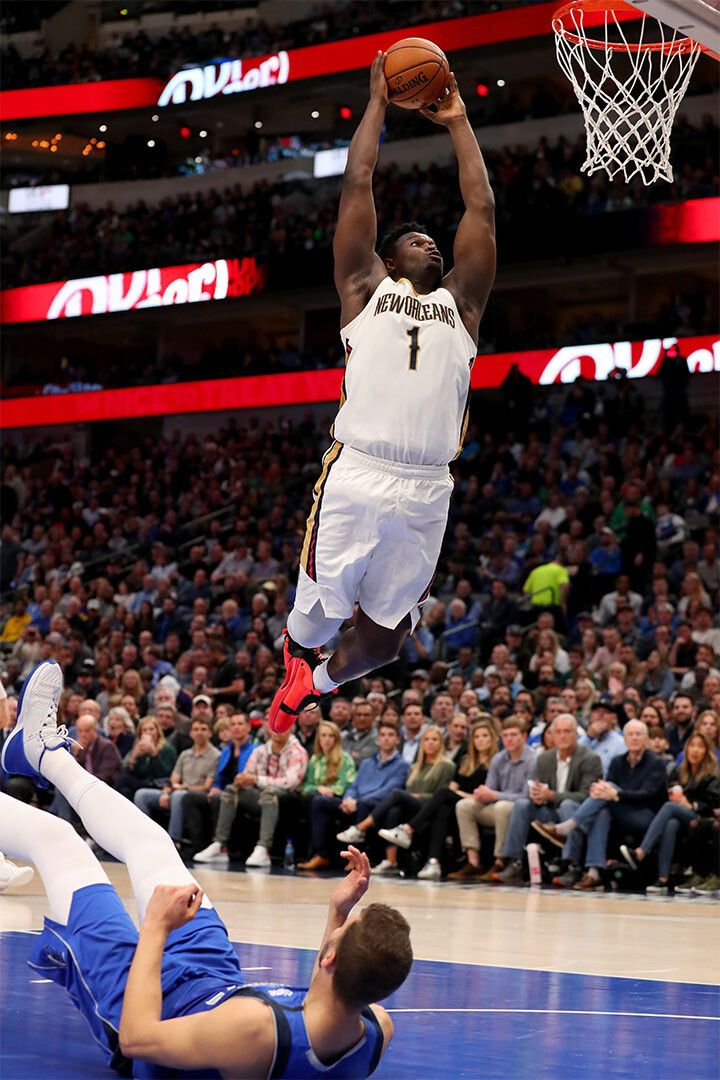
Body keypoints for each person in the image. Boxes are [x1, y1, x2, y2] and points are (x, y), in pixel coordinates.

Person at [1, 661, 408, 1077]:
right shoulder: (375, 1024)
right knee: (152, 843)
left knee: (59, 841)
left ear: (330, 959)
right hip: (217, 983)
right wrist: (337, 912)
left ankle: (41, 755)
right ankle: (39, 752)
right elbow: (331, 986)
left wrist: (155, 928)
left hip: (149, 1009)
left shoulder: (256, 1033)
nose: (335, 935)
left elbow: (137, 1039)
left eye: (340, 932)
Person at [268, 55, 495, 732]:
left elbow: (480, 205)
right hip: (359, 471)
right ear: (389, 261)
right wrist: (376, 101)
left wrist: (457, 120)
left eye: (434, 239)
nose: (429, 241)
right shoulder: (365, 293)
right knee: (311, 621)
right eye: (413, 240)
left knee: (387, 640)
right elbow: (358, 184)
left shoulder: (464, 304)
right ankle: (299, 661)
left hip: (429, 484)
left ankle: (318, 685)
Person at [536, 720, 667, 890]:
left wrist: (615, 794)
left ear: (646, 739)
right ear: (624, 739)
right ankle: (593, 872)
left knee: (609, 790)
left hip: (647, 816)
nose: (634, 738)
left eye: (638, 734)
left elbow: (647, 795)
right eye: (630, 734)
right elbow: (608, 794)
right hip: (619, 812)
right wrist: (600, 790)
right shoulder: (617, 762)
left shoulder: (656, 762)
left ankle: (569, 827)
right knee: (602, 811)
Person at [379, 719, 498, 880]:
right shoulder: (466, 761)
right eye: (477, 736)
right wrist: (457, 794)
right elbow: (454, 788)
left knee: (443, 793)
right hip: (460, 804)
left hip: (480, 803)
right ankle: (433, 862)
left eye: (485, 736)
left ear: (492, 739)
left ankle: (407, 829)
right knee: (443, 808)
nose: (481, 740)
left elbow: (485, 794)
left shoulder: (496, 762)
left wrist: (461, 795)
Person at [496, 714, 602, 885]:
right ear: (551, 735)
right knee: (522, 804)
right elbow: (538, 788)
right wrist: (538, 796)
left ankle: (571, 865)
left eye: (567, 731)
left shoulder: (590, 759)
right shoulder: (545, 758)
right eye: (558, 732)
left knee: (568, 804)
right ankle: (514, 862)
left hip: (576, 815)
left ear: (576, 734)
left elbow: (585, 796)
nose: (562, 736)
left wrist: (552, 795)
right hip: (551, 813)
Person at [345, 725, 455, 877]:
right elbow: (409, 791)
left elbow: (442, 796)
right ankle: (391, 861)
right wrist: (412, 796)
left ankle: (360, 828)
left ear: (441, 743)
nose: (430, 743)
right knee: (394, 810)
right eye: (427, 739)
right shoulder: (415, 767)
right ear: (422, 743)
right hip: (414, 807)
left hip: (430, 807)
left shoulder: (446, 765)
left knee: (397, 794)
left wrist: (418, 797)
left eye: (435, 739)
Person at [194, 726, 308, 868]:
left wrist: (256, 780)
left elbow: (289, 782)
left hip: (287, 799)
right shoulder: (260, 750)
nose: (278, 730)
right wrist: (242, 779)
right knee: (231, 790)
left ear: (291, 729)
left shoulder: (298, 751)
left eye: (283, 726)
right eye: (275, 726)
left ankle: (263, 849)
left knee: (270, 792)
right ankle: (220, 846)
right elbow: (248, 774)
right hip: (260, 794)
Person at [620, 732, 719, 893]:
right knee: (671, 823)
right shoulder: (679, 772)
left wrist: (691, 805)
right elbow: (670, 791)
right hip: (679, 816)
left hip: (701, 818)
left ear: (706, 751)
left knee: (669, 808)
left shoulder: (712, 776)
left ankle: (640, 852)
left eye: (700, 747)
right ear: (686, 750)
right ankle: (663, 878)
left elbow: (712, 804)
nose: (695, 750)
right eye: (692, 746)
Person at [450, 715, 536, 881]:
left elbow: (526, 796)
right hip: (497, 807)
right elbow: (490, 789)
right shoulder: (499, 758)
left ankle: (500, 861)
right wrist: (482, 793)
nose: (509, 739)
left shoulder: (533, 759)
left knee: (502, 806)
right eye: (505, 736)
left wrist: (495, 795)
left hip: (521, 809)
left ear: (524, 736)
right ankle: (473, 862)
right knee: (464, 805)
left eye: (513, 735)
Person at [133, 717, 220, 847]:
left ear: (210, 733)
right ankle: (145, 837)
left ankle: (174, 840)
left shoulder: (216, 755)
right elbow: (173, 780)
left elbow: (207, 786)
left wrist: (183, 788)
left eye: (203, 729)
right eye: (196, 729)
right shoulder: (185, 754)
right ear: (190, 733)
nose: (199, 732)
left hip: (196, 794)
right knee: (142, 794)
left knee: (178, 795)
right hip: (177, 791)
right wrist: (165, 792)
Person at [298, 721, 357, 871]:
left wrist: (330, 790)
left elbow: (348, 784)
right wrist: (319, 787)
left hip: (341, 800)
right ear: (318, 738)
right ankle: (315, 853)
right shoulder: (315, 759)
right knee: (311, 800)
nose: (327, 739)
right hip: (319, 800)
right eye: (323, 735)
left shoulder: (345, 758)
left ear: (336, 739)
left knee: (318, 801)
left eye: (331, 736)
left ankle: (321, 854)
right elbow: (305, 785)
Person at [115, 716, 177, 801]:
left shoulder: (168, 749)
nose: (148, 733)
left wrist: (153, 753)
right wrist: (133, 757)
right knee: (125, 791)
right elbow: (132, 773)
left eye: (151, 729)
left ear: (157, 731)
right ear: (140, 734)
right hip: (142, 783)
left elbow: (164, 773)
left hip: (158, 784)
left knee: (124, 779)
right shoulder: (139, 748)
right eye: (145, 730)